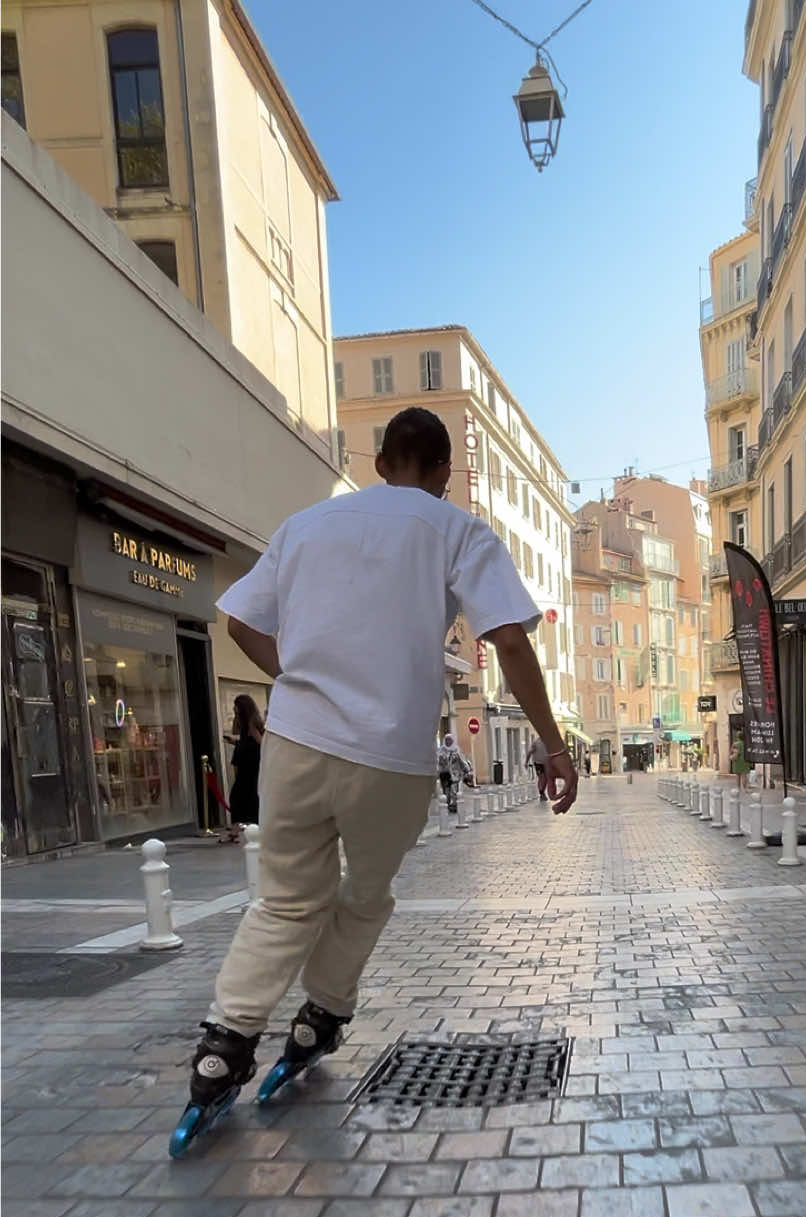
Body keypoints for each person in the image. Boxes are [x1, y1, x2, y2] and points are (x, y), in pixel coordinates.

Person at [175, 406, 577, 1133]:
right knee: (364, 893)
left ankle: (223, 1046)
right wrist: (553, 744)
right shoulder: (456, 530)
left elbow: (241, 621)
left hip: (295, 743)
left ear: (380, 461)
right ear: (444, 474)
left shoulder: (305, 525)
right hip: (390, 756)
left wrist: (295, 678)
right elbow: (510, 642)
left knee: (285, 900)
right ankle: (319, 1017)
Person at [222, 693, 264, 840]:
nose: (234, 708)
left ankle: (241, 829)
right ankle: (238, 829)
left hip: (250, 765)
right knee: (242, 796)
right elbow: (244, 738)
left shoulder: (252, 723)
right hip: (247, 764)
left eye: (236, 706)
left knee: (241, 795)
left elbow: (261, 743)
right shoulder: (245, 722)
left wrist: (240, 744)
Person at [436, 731, 472, 812]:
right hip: (445, 774)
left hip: (455, 774)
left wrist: (467, 770)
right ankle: (447, 804)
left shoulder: (456, 750)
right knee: (446, 791)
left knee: (453, 790)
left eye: (449, 740)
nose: (448, 742)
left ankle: (454, 804)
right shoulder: (441, 751)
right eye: (446, 740)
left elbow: (462, 761)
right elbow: (438, 762)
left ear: (452, 741)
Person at [526, 734, 550, 801]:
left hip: (547, 763)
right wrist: (526, 762)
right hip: (538, 763)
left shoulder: (548, 742)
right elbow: (530, 752)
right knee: (542, 777)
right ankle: (541, 793)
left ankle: (542, 792)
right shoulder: (536, 742)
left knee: (546, 779)